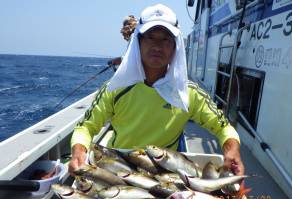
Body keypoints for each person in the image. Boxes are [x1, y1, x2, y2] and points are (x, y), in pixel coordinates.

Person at [69, 4, 245, 176]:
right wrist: (79, 150)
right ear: (138, 42)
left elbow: (223, 127)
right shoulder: (114, 88)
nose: (157, 46)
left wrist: (231, 149)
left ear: (176, 46)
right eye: (150, 37)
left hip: (166, 172)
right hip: (120, 167)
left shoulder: (188, 93)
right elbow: (85, 127)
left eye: (166, 39)